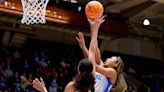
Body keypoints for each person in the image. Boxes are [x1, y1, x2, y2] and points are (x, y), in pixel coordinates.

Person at [32, 16, 105, 92]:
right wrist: (95, 29)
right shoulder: (91, 80)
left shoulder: (73, 86)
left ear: (78, 69)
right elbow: (92, 51)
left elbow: (92, 52)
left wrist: (44, 90)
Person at [76, 16, 127, 92]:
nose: (107, 58)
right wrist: (93, 28)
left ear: (116, 64)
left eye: (111, 58)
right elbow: (94, 50)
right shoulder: (101, 66)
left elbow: (91, 62)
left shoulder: (113, 73)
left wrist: (95, 29)